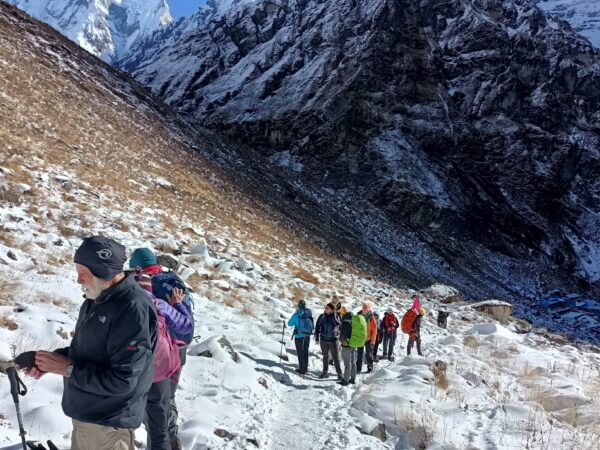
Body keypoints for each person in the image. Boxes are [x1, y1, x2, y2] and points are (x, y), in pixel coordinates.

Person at [23, 236, 158, 450]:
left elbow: (124, 380)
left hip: (108, 424)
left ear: (103, 272)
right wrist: (49, 361)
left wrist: (67, 368)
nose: (78, 281)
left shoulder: (131, 309)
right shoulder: (97, 299)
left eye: (83, 274)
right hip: (90, 419)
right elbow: (89, 350)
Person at [129, 248, 194, 450]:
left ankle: (160, 440)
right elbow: (187, 327)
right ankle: (170, 438)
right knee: (166, 399)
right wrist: (179, 305)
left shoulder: (139, 287)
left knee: (152, 404)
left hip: (149, 353)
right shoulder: (171, 281)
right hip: (177, 352)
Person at [314, 303, 342, 379]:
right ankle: (325, 372)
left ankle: (339, 374)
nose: (325, 309)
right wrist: (317, 338)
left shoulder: (336, 316)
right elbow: (317, 327)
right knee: (325, 357)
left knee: (335, 357)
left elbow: (338, 323)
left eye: (327, 308)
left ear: (332, 309)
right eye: (325, 307)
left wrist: (333, 314)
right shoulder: (322, 317)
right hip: (323, 340)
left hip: (333, 340)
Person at [288, 300, 314, 375]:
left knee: (300, 352)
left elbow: (289, 323)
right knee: (305, 351)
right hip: (307, 336)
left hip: (299, 336)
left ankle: (301, 369)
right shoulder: (309, 314)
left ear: (298, 305)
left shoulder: (297, 314)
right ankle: (305, 368)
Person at [356, 303, 377, 373]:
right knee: (359, 354)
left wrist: (373, 341)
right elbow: (356, 327)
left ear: (368, 310)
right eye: (363, 308)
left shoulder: (371, 318)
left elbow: (374, 330)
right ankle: (358, 369)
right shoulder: (358, 316)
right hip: (360, 338)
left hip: (369, 339)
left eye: (366, 309)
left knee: (369, 354)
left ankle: (370, 367)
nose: (364, 310)